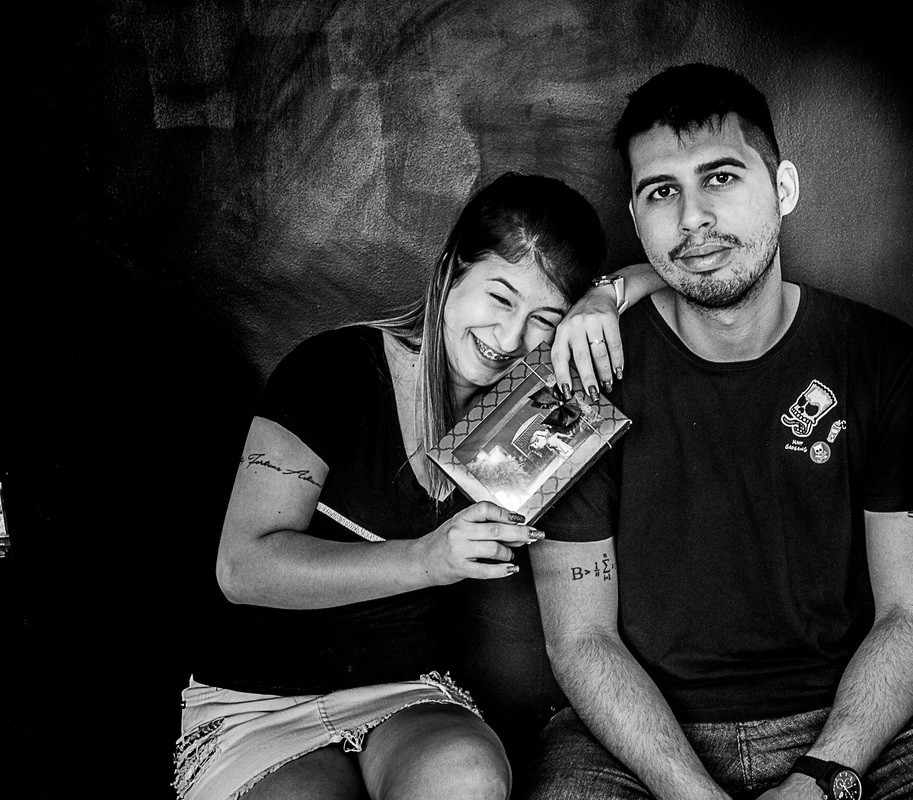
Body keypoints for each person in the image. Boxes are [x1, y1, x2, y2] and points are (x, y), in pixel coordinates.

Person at [528, 64, 913, 800]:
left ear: (783, 187)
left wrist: (823, 776)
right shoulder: (582, 376)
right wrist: (691, 793)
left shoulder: (882, 360)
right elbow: (581, 639)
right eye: (661, 192)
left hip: (851, 722)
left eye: (720, 178)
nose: (692, 219)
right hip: (634, 735)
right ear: (636, 216)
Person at [174, 171, 608, 800]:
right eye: (500, 298)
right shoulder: (335, 371)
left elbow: (685, 284)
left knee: (467, 775)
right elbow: (242, 567)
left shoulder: (528, 409)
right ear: (451, 271)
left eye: (545, 318)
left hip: (401, 695)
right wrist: (428, 559)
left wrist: (605, 298)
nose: (512, 339)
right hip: (256, 702)